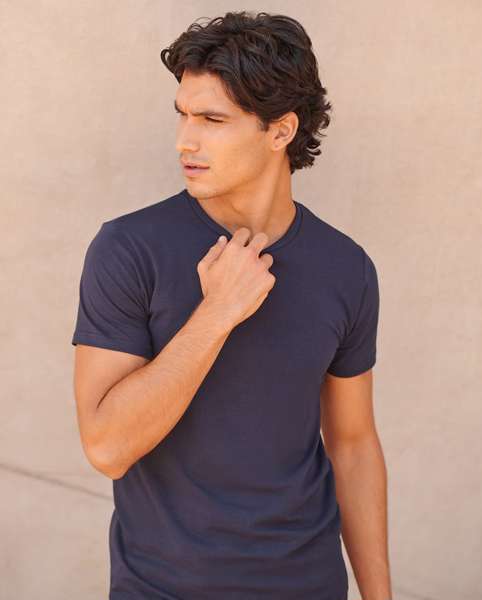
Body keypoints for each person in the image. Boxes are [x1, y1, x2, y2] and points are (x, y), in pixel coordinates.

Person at [71, 10, 392, 600]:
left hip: (308, 586)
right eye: (182, 115)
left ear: (281, 130)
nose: (184, 140)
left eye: (212, 120)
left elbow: (352, 444)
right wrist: (217, 313)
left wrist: (380, 596)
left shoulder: (347, 269)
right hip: (162, 589)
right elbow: (107, 447)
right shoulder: (128, 249)